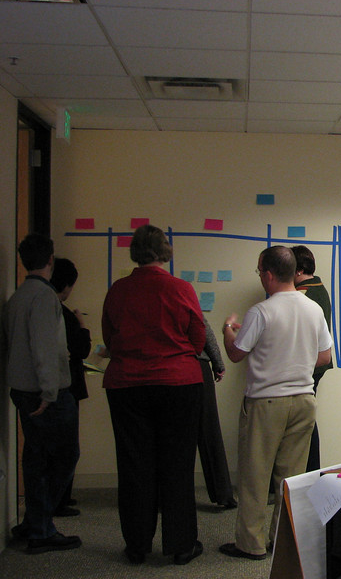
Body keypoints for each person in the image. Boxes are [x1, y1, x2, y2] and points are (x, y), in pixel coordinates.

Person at [218, 246, 332, 561]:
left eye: (260, 272)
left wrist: (228, 329)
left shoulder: (262, 311)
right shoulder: (313, 309)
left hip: (267, 403)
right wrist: (294, 361)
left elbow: (236, 353)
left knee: (255, 477)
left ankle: (251, 545)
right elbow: (324, 356)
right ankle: (282, 542)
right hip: (304, 401)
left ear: (268, 275)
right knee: (291, 479)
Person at [102, 225, 206, 566]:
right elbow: (197, 336)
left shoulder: (118, 290)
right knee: (178, 465)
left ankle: (137, 546)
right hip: (178, 383)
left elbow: (110, 337)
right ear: (165, 251)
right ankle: (181, 545)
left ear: (135, 252)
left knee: (134, 465)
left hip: (127, 385)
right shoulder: (181, 288)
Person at [2, 234, 81, 554]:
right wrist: (49, 392)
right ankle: (41, 528)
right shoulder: (45, 297)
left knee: (35, 458)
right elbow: (44, 348)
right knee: (63, 456)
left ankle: (33, 522)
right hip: (46, 393)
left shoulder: (17, 297)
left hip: (21, 389)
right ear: (50, 260)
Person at [49, 257, 92, 516]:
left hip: (56, 386)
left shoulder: (49, 309)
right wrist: (82, 326)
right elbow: (81, 349)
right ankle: (57, 500)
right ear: (66, 285)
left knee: (58, 446)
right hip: (65, 386)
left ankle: (60, 497)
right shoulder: (63, 313)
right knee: (66, 447)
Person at [291, 245, 333, 471]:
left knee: (304, 421)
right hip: (316, 362)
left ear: (298, 270)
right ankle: (310, 471)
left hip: (310, 364)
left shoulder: (304, 293)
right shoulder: (318, 287)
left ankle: (310, 471)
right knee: (305, 419)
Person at [197, 314, 237, 509]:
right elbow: (205, 331)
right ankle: (223, 495)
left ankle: (166, 498)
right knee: (209, 431)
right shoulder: (184, 298)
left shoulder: (137, 301)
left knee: (169, 439)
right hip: (196, 366)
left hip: (159, 369)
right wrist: (218, 363)